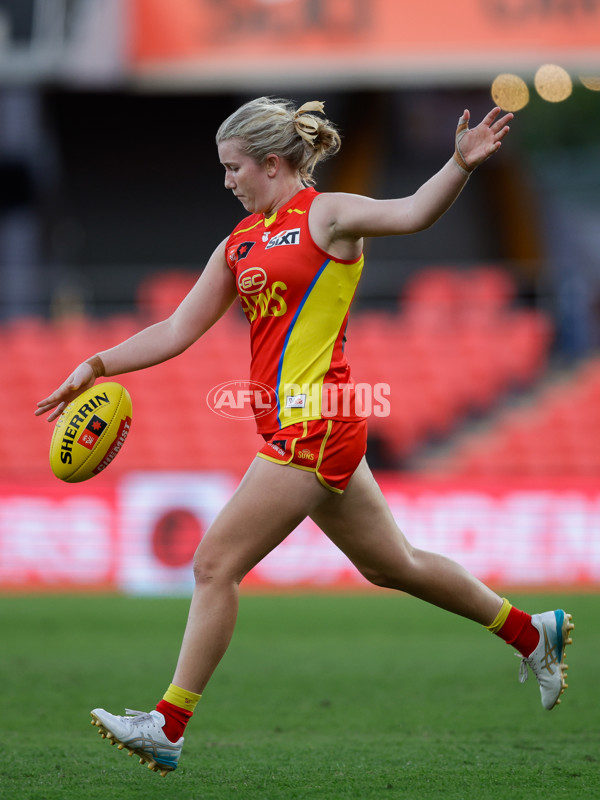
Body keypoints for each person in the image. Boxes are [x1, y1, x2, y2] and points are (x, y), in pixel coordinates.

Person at [36, 97, 573, 777]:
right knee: (392, 565)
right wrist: (95, 364)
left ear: (271, 162)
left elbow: (411, 212)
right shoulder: (236, 245)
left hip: (315, 422)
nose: (226, 180)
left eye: (234, 168)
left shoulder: (326, 214)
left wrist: (458, 165)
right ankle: (533, 633)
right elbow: (176, 330)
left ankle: (167, 725)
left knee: (213, 564)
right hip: (302, 424)